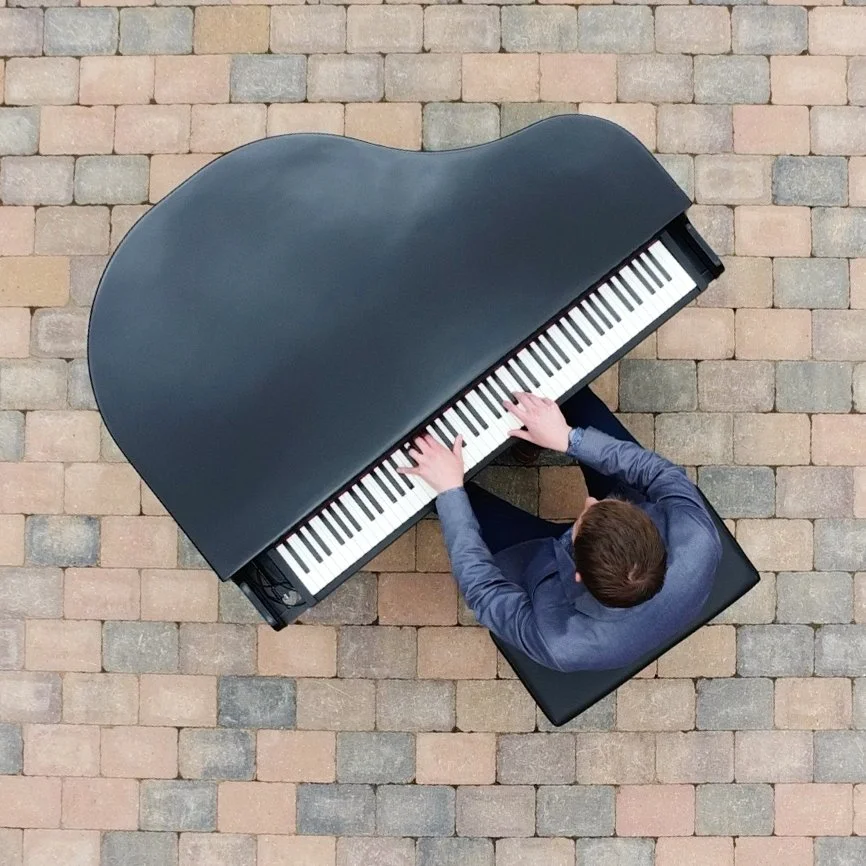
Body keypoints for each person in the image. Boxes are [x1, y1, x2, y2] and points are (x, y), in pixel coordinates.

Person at [396, 386, 723, 673]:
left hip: (538, 564)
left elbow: (482, 590)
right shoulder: (698, 542)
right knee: (569, 391)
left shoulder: (561, 643)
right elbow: (661, 475)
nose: (591, 501)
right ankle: (533, 432)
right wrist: (569, 438)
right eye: (608, 504)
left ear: (577, 573)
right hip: (611, 554)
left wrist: (450, 489)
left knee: (441, 487)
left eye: (585, 515)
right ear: (650, 528)